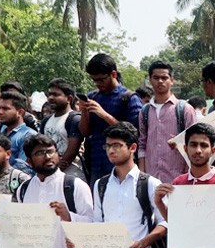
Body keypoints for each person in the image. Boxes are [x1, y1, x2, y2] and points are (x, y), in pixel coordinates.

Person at [77, 53, 142, 186]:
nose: (98, 84)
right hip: (96, 161)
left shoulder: (129, 98)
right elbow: (85, 132)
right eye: (94, 80)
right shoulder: (92, 96)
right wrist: (84, 111)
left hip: (122, 163)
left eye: (101, 79)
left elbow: (134, 133)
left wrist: (104, 115)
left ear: (113, 74)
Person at [138, 60, 196, 184]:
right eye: (156, 77)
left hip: (178, 179)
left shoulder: (184, 109)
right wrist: (142, 177)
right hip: (151, 181)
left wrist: (188, 177)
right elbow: (142, 145)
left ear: (172, 80)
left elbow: (194, 143)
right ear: (150, 80)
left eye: (164, 77)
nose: (160, 81)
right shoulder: (145, 111)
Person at [39, 78, 86, 181]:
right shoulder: (46, 121)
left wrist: (56, 170)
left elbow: (71, 152)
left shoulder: (74, 119)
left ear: (69, 98)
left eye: (56, 95)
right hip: (49, 174)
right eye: (49, 94)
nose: (51, 98)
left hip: (72, 175)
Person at [0, 91, 37, 176]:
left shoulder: (28, 135)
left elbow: (23, 169)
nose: (0, 112)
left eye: (5, 109)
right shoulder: (2, 132)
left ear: (20, 112)